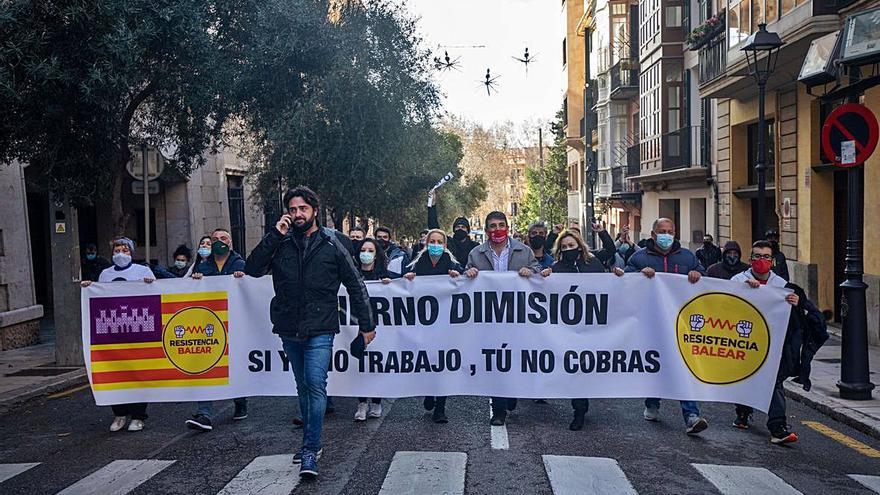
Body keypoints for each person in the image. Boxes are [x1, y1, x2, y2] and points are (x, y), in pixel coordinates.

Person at [245, 186, 375, 479]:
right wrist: (274, 236)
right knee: (303, 386)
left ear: (314, 210)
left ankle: (310, 448)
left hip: (321, 326)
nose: (297, 214)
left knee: (315, 383)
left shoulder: (333, 242)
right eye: (292, 209)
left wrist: (366, 325)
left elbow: (355, 284)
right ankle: (310, 443)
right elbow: (253, 268)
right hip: (289, 327)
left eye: (302, 209)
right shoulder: (280, 242)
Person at [731, 240, 828, 444]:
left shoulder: (782, 286)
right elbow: (724, 306)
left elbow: (810, 315)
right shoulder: (738, 280)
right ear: (750, 260)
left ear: (773, 261)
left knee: (774, 382)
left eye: (766, 257)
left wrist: (798, 303)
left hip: (775, 345)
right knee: (748, 378)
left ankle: (778, 428)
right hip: (745, 342)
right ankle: (743, 412)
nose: (761, 261)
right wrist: (743, 291)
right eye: (757, 256)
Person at [625, 217, 709, 435]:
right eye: (662, 231)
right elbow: (625, 280)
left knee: (682, 366)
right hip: (650, 323)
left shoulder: (687, 257)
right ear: (653, 234)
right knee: (657, 365)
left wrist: (698, 274)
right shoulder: (639, 257)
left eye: (670, 231)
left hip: (680, 323)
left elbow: (705, 279)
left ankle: (691, 415)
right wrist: (639, 276)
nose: (666, 235)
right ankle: (652, 402)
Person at [464, 211, 548, 426]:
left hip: (517, 317)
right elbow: (465, 279)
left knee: (514, 359)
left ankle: (512, 394)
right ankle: (498, 409)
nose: (497, 229)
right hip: (489, 318)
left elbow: (538, 273)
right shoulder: (476, 253)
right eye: (492, 226)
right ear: (486, 230)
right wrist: (470, 273)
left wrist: (530, 271)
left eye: (501, 225)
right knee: (495, 362)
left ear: (507, 228)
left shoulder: (524, 251)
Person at [81, 237, 155, 432]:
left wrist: (150, 283)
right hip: (113, 333)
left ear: (131, 252)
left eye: (124, 250)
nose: (120, 253)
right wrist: (89, 287)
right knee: (116, 374)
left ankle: (138, 416)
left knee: (137, 374)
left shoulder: (143, 271)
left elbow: (155, 295)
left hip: (138, 331)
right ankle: (119, 414)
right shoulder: (105, 274)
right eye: (116, 250)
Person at [184, 228, 248, 432]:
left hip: (235, 322)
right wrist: (194, 282)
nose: (218, 242)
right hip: (209, 323)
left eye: (223, 238)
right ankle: (204, 413)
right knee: (206, 364)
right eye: (214, 240)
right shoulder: (203, 266)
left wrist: (242, 278)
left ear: (230, 242)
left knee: (235, 364)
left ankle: (240, 401)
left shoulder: (239, 264)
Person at [549, 230, 611, 430]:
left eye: (571, 246)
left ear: (579, 245)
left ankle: (584, 402)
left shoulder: (592, 263)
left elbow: (610, 252)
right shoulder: (557, 268)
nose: (568, 249)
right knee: (575, 366)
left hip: (593, 323)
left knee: (589, 366)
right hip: (569, 326)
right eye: (564, 247)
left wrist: (601, 232)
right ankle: (579, 409)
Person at [403, 229, 463, 424]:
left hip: (446, 325)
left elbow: (464, 285)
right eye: (432, 241)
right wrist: (409, 278)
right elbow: (405, 286)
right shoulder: (418, 263)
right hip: (425, 323)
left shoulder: (452, 264)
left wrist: (457, 275)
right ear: (426, 244)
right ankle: (429, 392)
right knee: (428, 361)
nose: (435, 245)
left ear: (445, 246)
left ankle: (441, 407)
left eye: (439, 242)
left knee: (442, 363)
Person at [352, 238, 394, 422]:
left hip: (379, 326)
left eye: (370, 250)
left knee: (376, 364)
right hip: (355, 324)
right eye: (364, 250)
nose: (366, 254)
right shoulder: (351, 274)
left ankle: (376, 401)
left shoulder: (385, 275)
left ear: (376, 254)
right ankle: (361, 402)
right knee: (359, 365)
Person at [427, 191, 480, 266]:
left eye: (463, 227)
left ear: (467, 230)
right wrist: (432, 206)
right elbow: (434, 228)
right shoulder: (448, 243)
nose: (460, 229)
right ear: (454, 229)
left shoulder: (475, 247)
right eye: (458, 227)